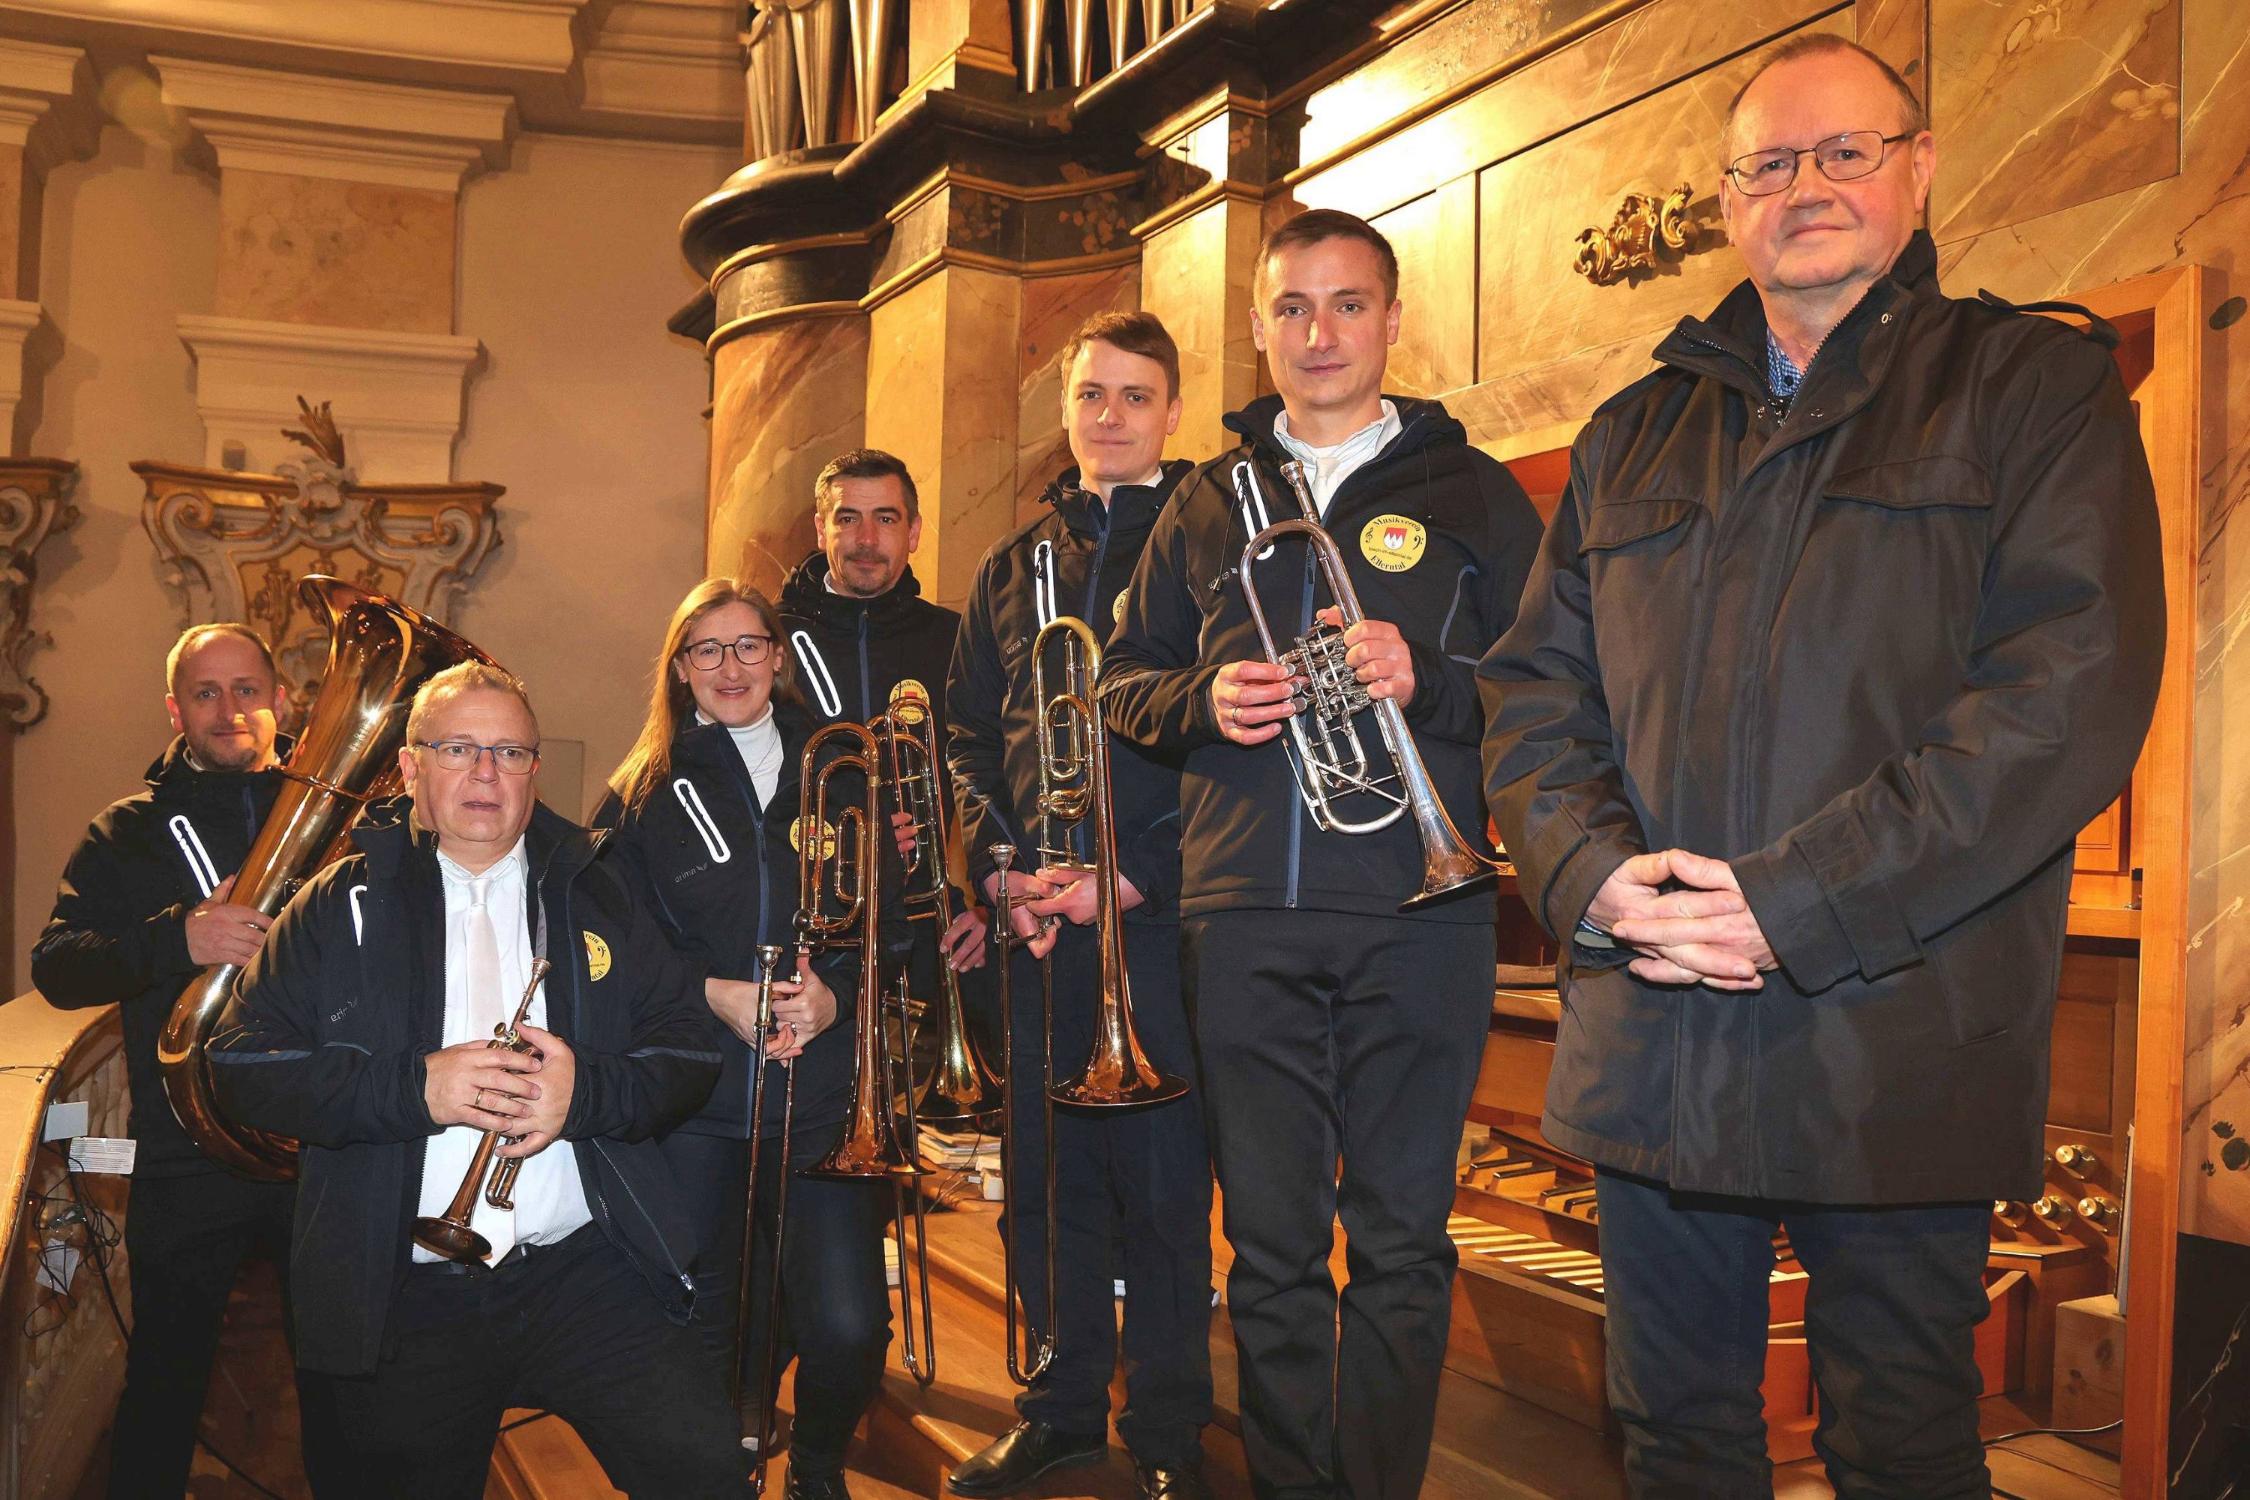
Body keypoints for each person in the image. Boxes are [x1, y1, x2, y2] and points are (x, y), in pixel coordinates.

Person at [1479, 36, 2166, 1497]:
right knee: (1672, 1436)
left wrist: (1789, 900)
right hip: (1656, 1019)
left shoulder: (2030, 386)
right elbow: (1533, 694)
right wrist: (1596, 880)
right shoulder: (1629, 429)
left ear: (1917, 171)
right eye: (1768, 164)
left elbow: (2065, 693)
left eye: (1845, 151)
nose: (1807, 186)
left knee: (1903, 1444)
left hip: (1896, 1020)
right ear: (1727, 204)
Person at [1100, 210, 1542, 1500]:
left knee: (1402, 1241)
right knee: (1277, 1250)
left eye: (1349, 305)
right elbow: (1122, 683)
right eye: (1292, 308)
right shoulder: (1202, 498)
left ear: (1395, 322)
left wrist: (1439, 685)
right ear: (1257, 326)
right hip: (1244, 916)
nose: (1320, 333)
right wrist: (1202, 701)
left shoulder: (1473, 493)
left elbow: (1556, 680)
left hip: (1425, 914)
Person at [208, 663, 744, 1499]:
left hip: (584, 1272)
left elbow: (689, 1051)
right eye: (460, 748)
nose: (486, 774)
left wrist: (587, 1095)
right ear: (412, 767)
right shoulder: (335, 902)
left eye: (509, 752)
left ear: (535, 769)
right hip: (407, 1288)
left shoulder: (598, 891)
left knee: (707, 1468)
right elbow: (240, 1065)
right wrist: (413, 1089)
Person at [945, 311, 1212, 1500]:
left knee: (1161, 1195)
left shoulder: (1206, 548)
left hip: (1155, 921)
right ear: (1067, 407)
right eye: (1093, 394)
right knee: (1046, 1191)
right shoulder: (1013, 567)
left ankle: (1166, 1434)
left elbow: (1224, 743)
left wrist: (1138, 869)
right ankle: (1056, 1411)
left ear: (1171, 410)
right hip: (1039, 923)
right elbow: (963, 740)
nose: (1110, 416)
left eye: (1136, 396)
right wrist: (1000, 869)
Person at [595, 579, 887, 1500]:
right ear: (681, 669)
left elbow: (898, 925)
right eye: (707, 650)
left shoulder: (845, 769)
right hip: (698, 1099)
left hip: (822, 1095)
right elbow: (607, 948)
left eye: (748, 645)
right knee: (703, 1323)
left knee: (848, 1326)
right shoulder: (640, 787)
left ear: (779, 655)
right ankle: (718, 1470)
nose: (730, 667)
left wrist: (834, 999)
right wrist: (713, 992)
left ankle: (817, 1463)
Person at [31, 623, 308, 1499]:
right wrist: (178, 938)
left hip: (324, 1143)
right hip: (188, 1153)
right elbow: (58, 964)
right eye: (206, 692)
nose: (231, 710)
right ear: (174, 710)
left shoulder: (342, 816)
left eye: (247, 689)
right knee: (166, 1380)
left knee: (348, 1382)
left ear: (282, 699)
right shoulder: (126, 833)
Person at [778, 449, 987, 1031]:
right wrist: (843, 829)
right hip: (801, 924)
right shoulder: (767, 640)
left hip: (928, 928)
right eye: (847, 518)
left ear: (914, 531)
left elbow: (992, 769)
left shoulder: (956, 639)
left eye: (887, 518)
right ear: (820, 529)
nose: (866, 538)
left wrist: (990, 902)